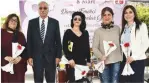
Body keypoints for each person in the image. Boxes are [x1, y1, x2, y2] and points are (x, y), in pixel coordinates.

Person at [27, 1, 62, 83]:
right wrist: (29, 56)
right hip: (36, 58)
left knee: (51, 80)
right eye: (40, 8)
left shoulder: (55, 22)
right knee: (38, 80)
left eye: (45, 8)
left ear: (48, 9)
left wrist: (58, 56)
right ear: (38, 10)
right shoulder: (32, 23)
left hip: (51, 58)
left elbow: (58, 41)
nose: (42, 10)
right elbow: (29, 41)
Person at [119, 5, 149, 83]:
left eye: (130, 12)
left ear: (134, 14)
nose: (128, 15)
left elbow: (145, 44)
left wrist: (134, 57)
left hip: (137, 60)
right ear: (123, 15)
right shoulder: (123, 28)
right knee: (124, 81)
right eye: (125, 13)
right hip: (125, 59)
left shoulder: (142, 26)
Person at [92, 7, 122, 83]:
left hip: (116, 61)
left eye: (109, 14)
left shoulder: (118, 29)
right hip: (103, 62)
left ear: (112, 16)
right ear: (102, 17)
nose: (107, 17)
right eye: (104, 15)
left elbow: (122, 44)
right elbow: (94, 47)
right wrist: (100, 56)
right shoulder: (98, 31)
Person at [63, 11, 91, 83]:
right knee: (72, 81)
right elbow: (65, 47)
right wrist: (70, 58)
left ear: (82, 21)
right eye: (75, 19)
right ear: (72, 21)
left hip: (82, 63)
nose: (77, 20)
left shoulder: (85, 33)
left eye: (79, 19)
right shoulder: (68, 32)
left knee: (82, 81)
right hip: (72, 63)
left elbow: (87, 48)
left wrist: (88, 60)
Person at [1, 13, 27, 83]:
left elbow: (26, 50)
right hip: (4, 66)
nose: (14, 22)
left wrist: (20, 58)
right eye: (12, 20)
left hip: (18, 67)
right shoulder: (1, 33)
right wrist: (5, 57)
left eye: (16, 21)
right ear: (7, 21)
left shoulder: (21, 35)